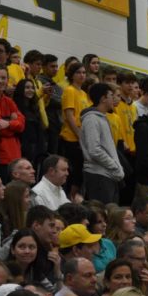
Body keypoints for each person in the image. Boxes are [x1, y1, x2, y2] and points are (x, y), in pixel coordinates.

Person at [81, 82, 125, 203]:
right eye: (111, 95)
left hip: (108, 175)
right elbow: (94, 149)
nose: (114, 99)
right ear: (103, 99)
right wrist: (114, 166)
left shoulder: (102, 117)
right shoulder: (91, 119)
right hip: (98, 175)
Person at [59, 61, 91, 196]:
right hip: (70, 137)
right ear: (71, 75)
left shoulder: (83, 93)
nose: (82, 75)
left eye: (84, 72)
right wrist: (78, 134)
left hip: (82, 138)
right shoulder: (69, 90)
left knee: (79, 174)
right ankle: (69, 198)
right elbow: (69, 115)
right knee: (73, 173)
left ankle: (73, 198)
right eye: (78, 72)